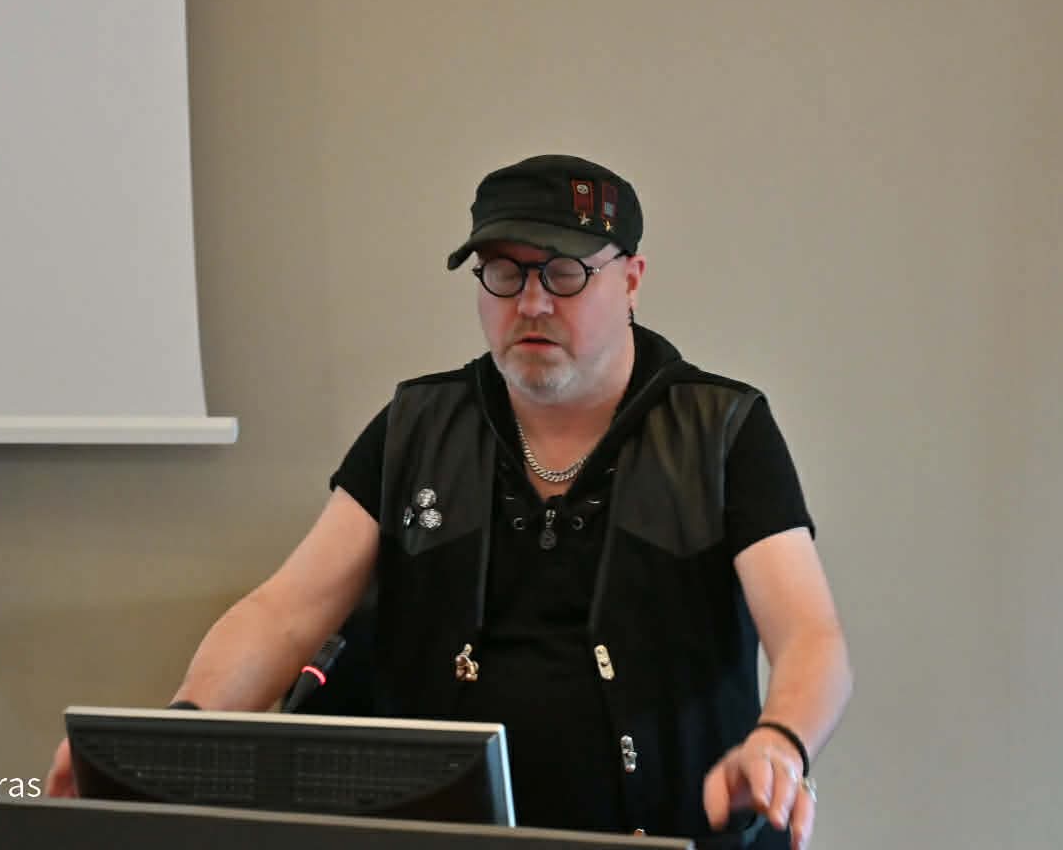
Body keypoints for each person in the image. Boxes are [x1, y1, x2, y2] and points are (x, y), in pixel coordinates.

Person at [46, 155, 852, 849]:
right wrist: (177, 734)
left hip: (670, 833)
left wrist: (780, 743)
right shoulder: (417, 426)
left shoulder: (721, 430)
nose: (531, 302)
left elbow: (811, 636)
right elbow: (285, 613)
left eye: (564, 272)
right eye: (504, 272)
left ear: (632, 278)